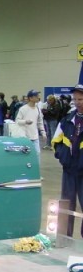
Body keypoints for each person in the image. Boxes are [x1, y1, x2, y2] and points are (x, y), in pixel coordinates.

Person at [52, 84, 83, 237]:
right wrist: (62, 155)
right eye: (75, 99)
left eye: (81, 99)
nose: (77, 102)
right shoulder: (66, 120)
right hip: (69, 171)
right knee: (66, 206)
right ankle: (64, 238)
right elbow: (55, 141)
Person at [15, 89, 46, 161]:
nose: (38, 97)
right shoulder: (23, 109)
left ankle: (36, 168)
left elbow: (40, 122)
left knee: (37, 154)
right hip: (25, 137)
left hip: (35, 137)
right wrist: (25, 121)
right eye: (36, 96)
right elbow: (17, 121)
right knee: (25, 156)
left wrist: (43, 132)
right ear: (30, 98)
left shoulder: (38, 109)